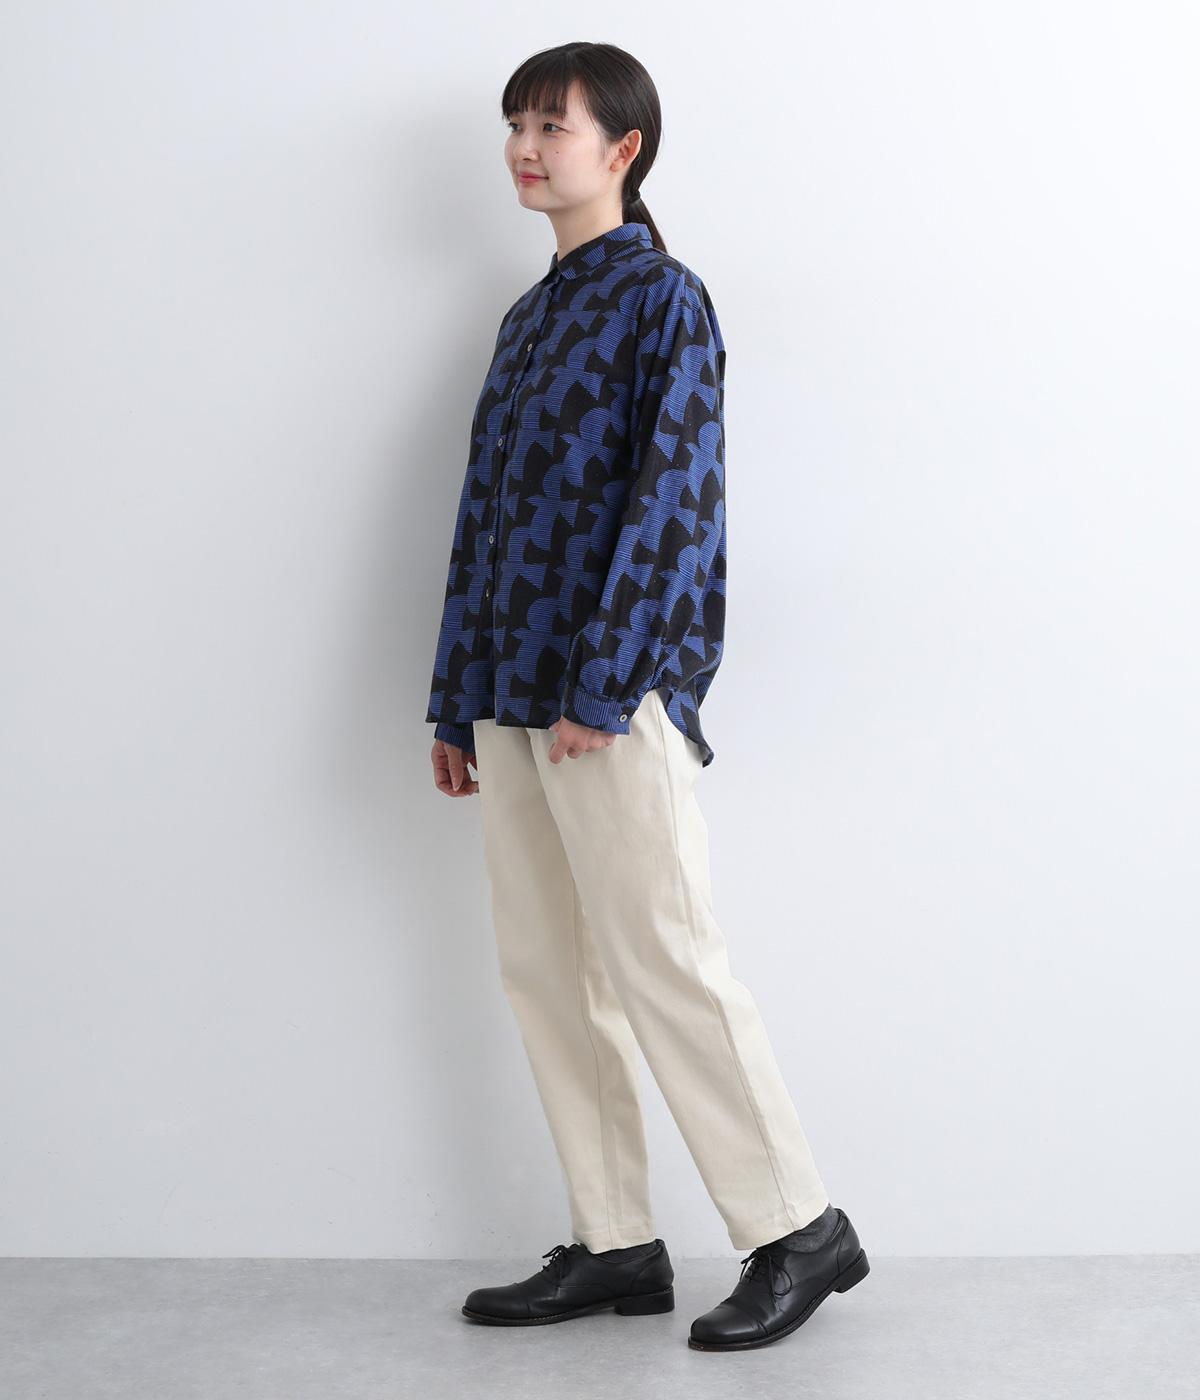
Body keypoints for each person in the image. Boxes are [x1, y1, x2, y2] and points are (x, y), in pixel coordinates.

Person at [424, 41, 868, 1351]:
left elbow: (676, 504)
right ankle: (616, 1238)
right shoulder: (526, 319)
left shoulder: (662, 299)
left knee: (665, 959)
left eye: (550, 126)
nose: (524, 147)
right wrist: (454, 701)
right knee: (547, 972)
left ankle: (799, 1227)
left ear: (622, 148)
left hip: (601, 703)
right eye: (514, 124)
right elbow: (481, 522)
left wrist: (608, 683)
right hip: (512, 701)